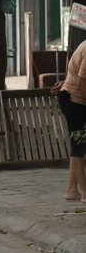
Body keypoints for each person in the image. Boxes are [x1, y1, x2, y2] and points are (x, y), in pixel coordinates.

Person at [51, 38, 86, 203]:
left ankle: (72, 190)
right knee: (78, 146)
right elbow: (81, 84)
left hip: (74, 97)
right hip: (74, 100)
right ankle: (85, 193)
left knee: (77, 145)